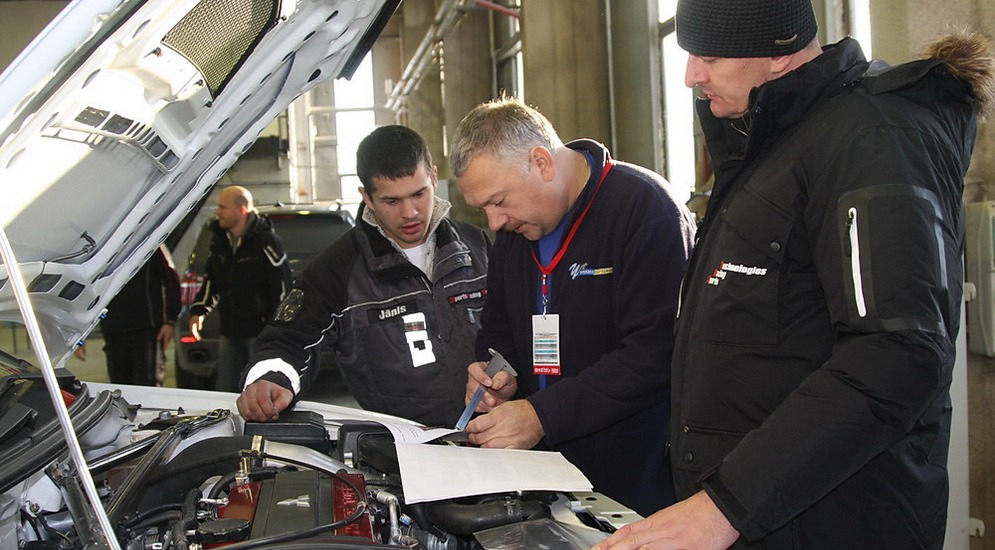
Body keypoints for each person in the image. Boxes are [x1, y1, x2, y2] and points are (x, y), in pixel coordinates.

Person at [595, 1, 995, 549]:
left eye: (708, 55)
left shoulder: (868, 141)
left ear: (779, 54)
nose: (691, 75)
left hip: (832, 520)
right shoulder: (774, 140)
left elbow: (896, 353)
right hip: (763, 512)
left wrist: (723, 507)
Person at [449, 97, 696, 517]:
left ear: (542, 162)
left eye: (499, 201)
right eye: (483, 209)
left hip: (634, 479)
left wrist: (542, 415)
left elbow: (654, 354)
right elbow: (498, 330)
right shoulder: (516, 232)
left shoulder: (644, 209)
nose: (493, 223)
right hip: (543, 476)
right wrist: (498, 373)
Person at [236, 125, 491, 427]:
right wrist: (271, 379)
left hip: (494, 435)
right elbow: (287, 342)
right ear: (367, 197)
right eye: (392, 201)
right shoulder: (338, 269)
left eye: (419, 193)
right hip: (400, 450)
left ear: (434, 177)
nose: (410, 212)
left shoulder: (478, 246)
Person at [189, 185, 292, 392]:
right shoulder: (218, 243)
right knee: (225, 389)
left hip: (259, 334)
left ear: (242, 209)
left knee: (257, 390)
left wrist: (276, 329)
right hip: (229, 332)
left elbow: (282, 288)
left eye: (222, 207)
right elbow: (211, 281)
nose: (217, 212)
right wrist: (199, 310)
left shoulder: (266, 243)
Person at [99, 245, 181, 386]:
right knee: (120, 388)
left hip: (146, 330)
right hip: (113, 329)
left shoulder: (151, 241)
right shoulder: (104, 246)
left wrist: (170, 321)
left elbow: (172, 280)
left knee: (148, 385)